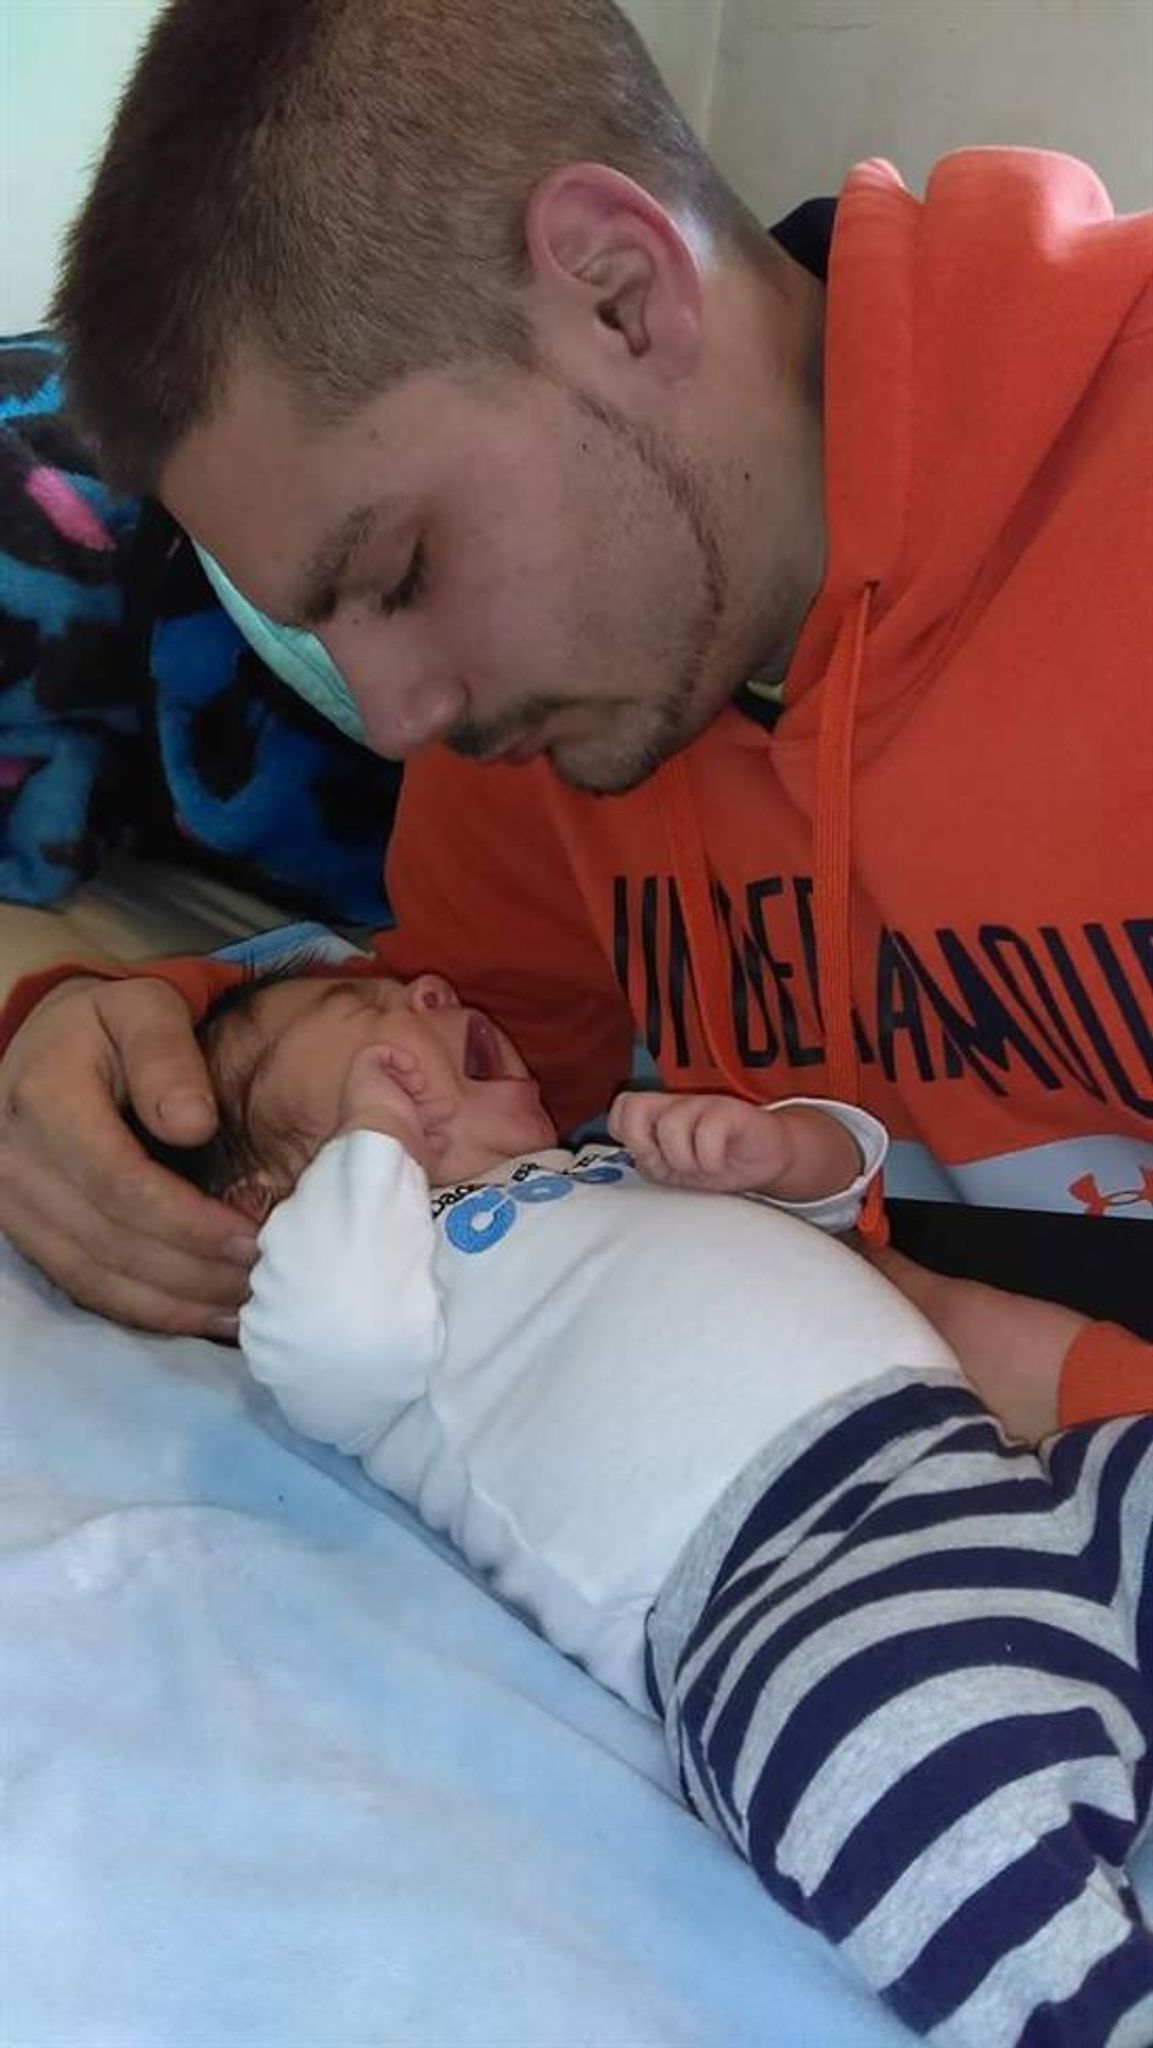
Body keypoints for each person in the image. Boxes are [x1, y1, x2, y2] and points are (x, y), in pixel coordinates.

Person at [0, 0, 1149, 1420]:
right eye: (320, 626)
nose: (398, 717)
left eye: (403, 571)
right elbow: (466, 1056)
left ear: (621, 291)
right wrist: (124, 1038)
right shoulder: (554, 725)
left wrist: (1028, 1372)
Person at [136, 956, 1153, 2044]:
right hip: (779, 1591)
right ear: (266, 1196)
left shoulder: (607, 1162)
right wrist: (372, 1143)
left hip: (985, 1464)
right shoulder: (383, 1292)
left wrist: (778, 1150)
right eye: (359, 1008)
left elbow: (835, 1203)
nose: (425, 989)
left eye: (413, 989)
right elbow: (327, 1338)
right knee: (905, 1779)